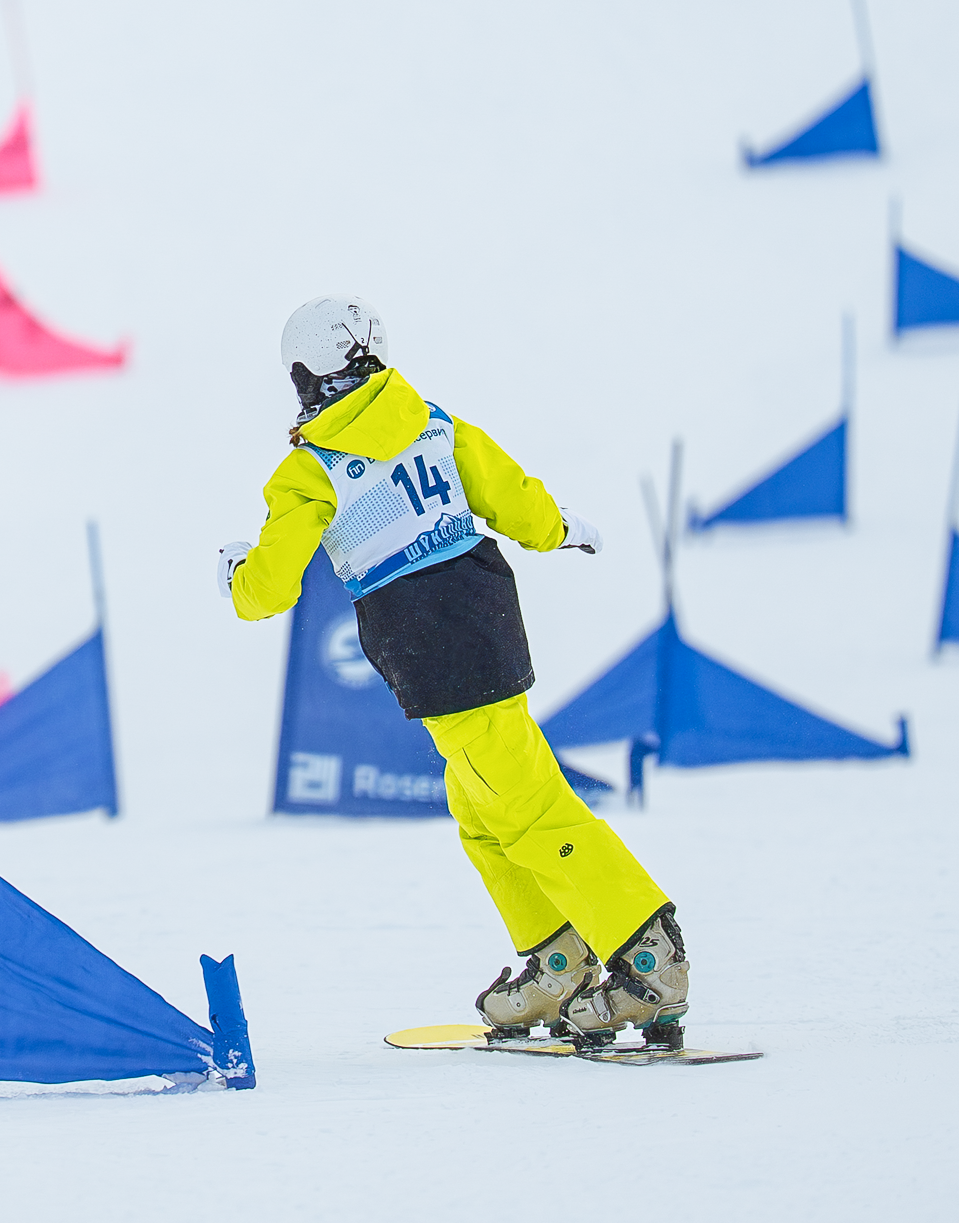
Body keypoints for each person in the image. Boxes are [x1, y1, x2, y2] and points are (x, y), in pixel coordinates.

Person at [221, 297, 690, 1046]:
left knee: (527, 803)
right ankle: (558, 958)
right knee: (481, 807)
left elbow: (269, 590)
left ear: (307, 377)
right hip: (483, 614)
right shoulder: (433, 423)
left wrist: (234, 575)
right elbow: (512, 497)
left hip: (428, 642)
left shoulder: (309, 471)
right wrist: (561, 529)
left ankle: (647, 957)